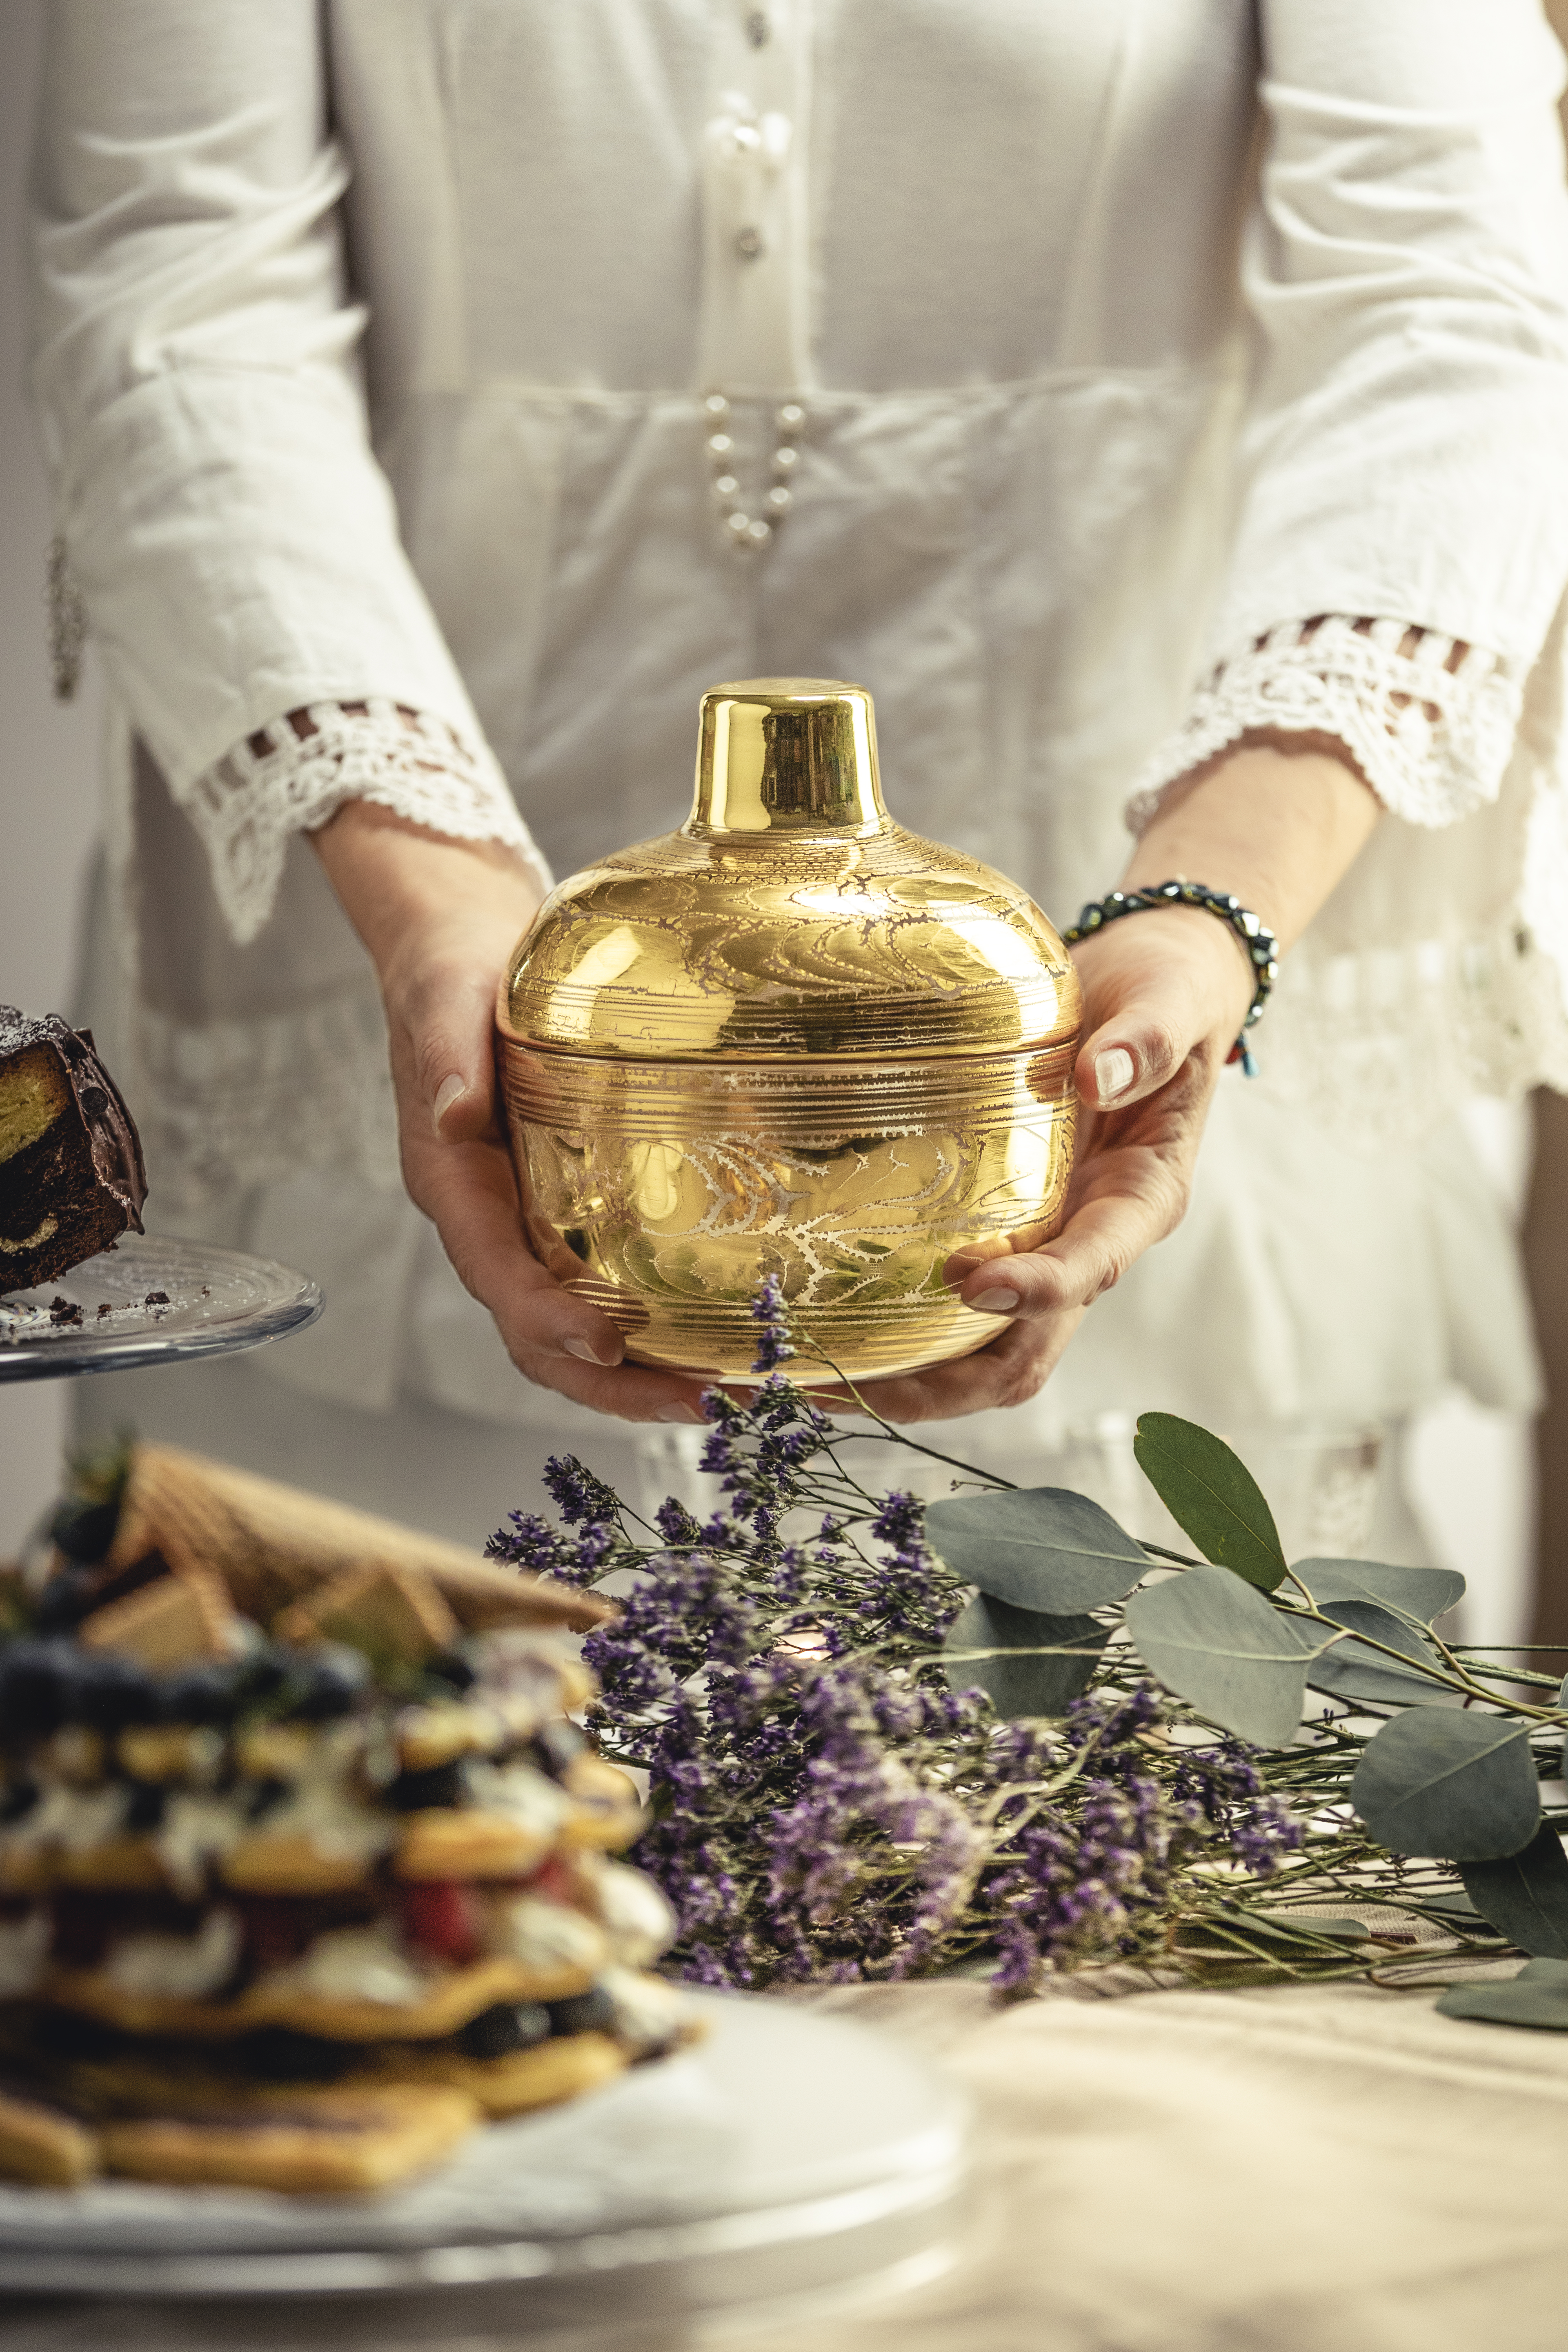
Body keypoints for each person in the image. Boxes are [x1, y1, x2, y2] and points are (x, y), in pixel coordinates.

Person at [29, 1, 1568, 1556]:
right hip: (396, 915)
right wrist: (436, 901)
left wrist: (1199, 907)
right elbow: (175, 286)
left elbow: (1451, 297)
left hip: (1128, 926)